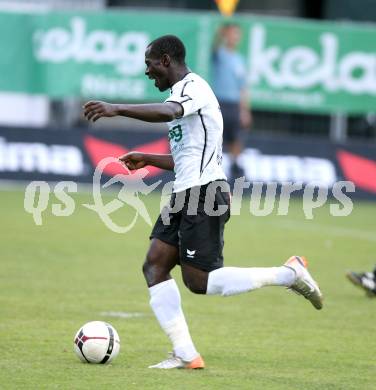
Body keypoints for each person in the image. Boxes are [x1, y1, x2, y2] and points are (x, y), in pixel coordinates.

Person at [84, 35, 323, 370]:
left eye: (150, 64)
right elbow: (187, 157)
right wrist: (150, 158)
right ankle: (185, 353)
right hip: (185, 192)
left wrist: (116, 108)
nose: (147, 72)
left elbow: (170, 111)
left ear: (166, 60)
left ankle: (288, 273)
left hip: (205, 193)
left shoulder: (194, 88)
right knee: (154, 265)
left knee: (200, 281)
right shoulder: (180, 95)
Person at [211, 23, 252, 180]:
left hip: (234, 104)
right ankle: (213, 166)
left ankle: (235, 166)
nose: (234, 37)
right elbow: (214, 47)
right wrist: (219, 35)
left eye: (236, 34)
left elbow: (243, 87)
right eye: (231, 34)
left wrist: (245, 110)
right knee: (216, 136)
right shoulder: (220, 54)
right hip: (219, 102)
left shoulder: (240, 59)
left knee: (236, 137)